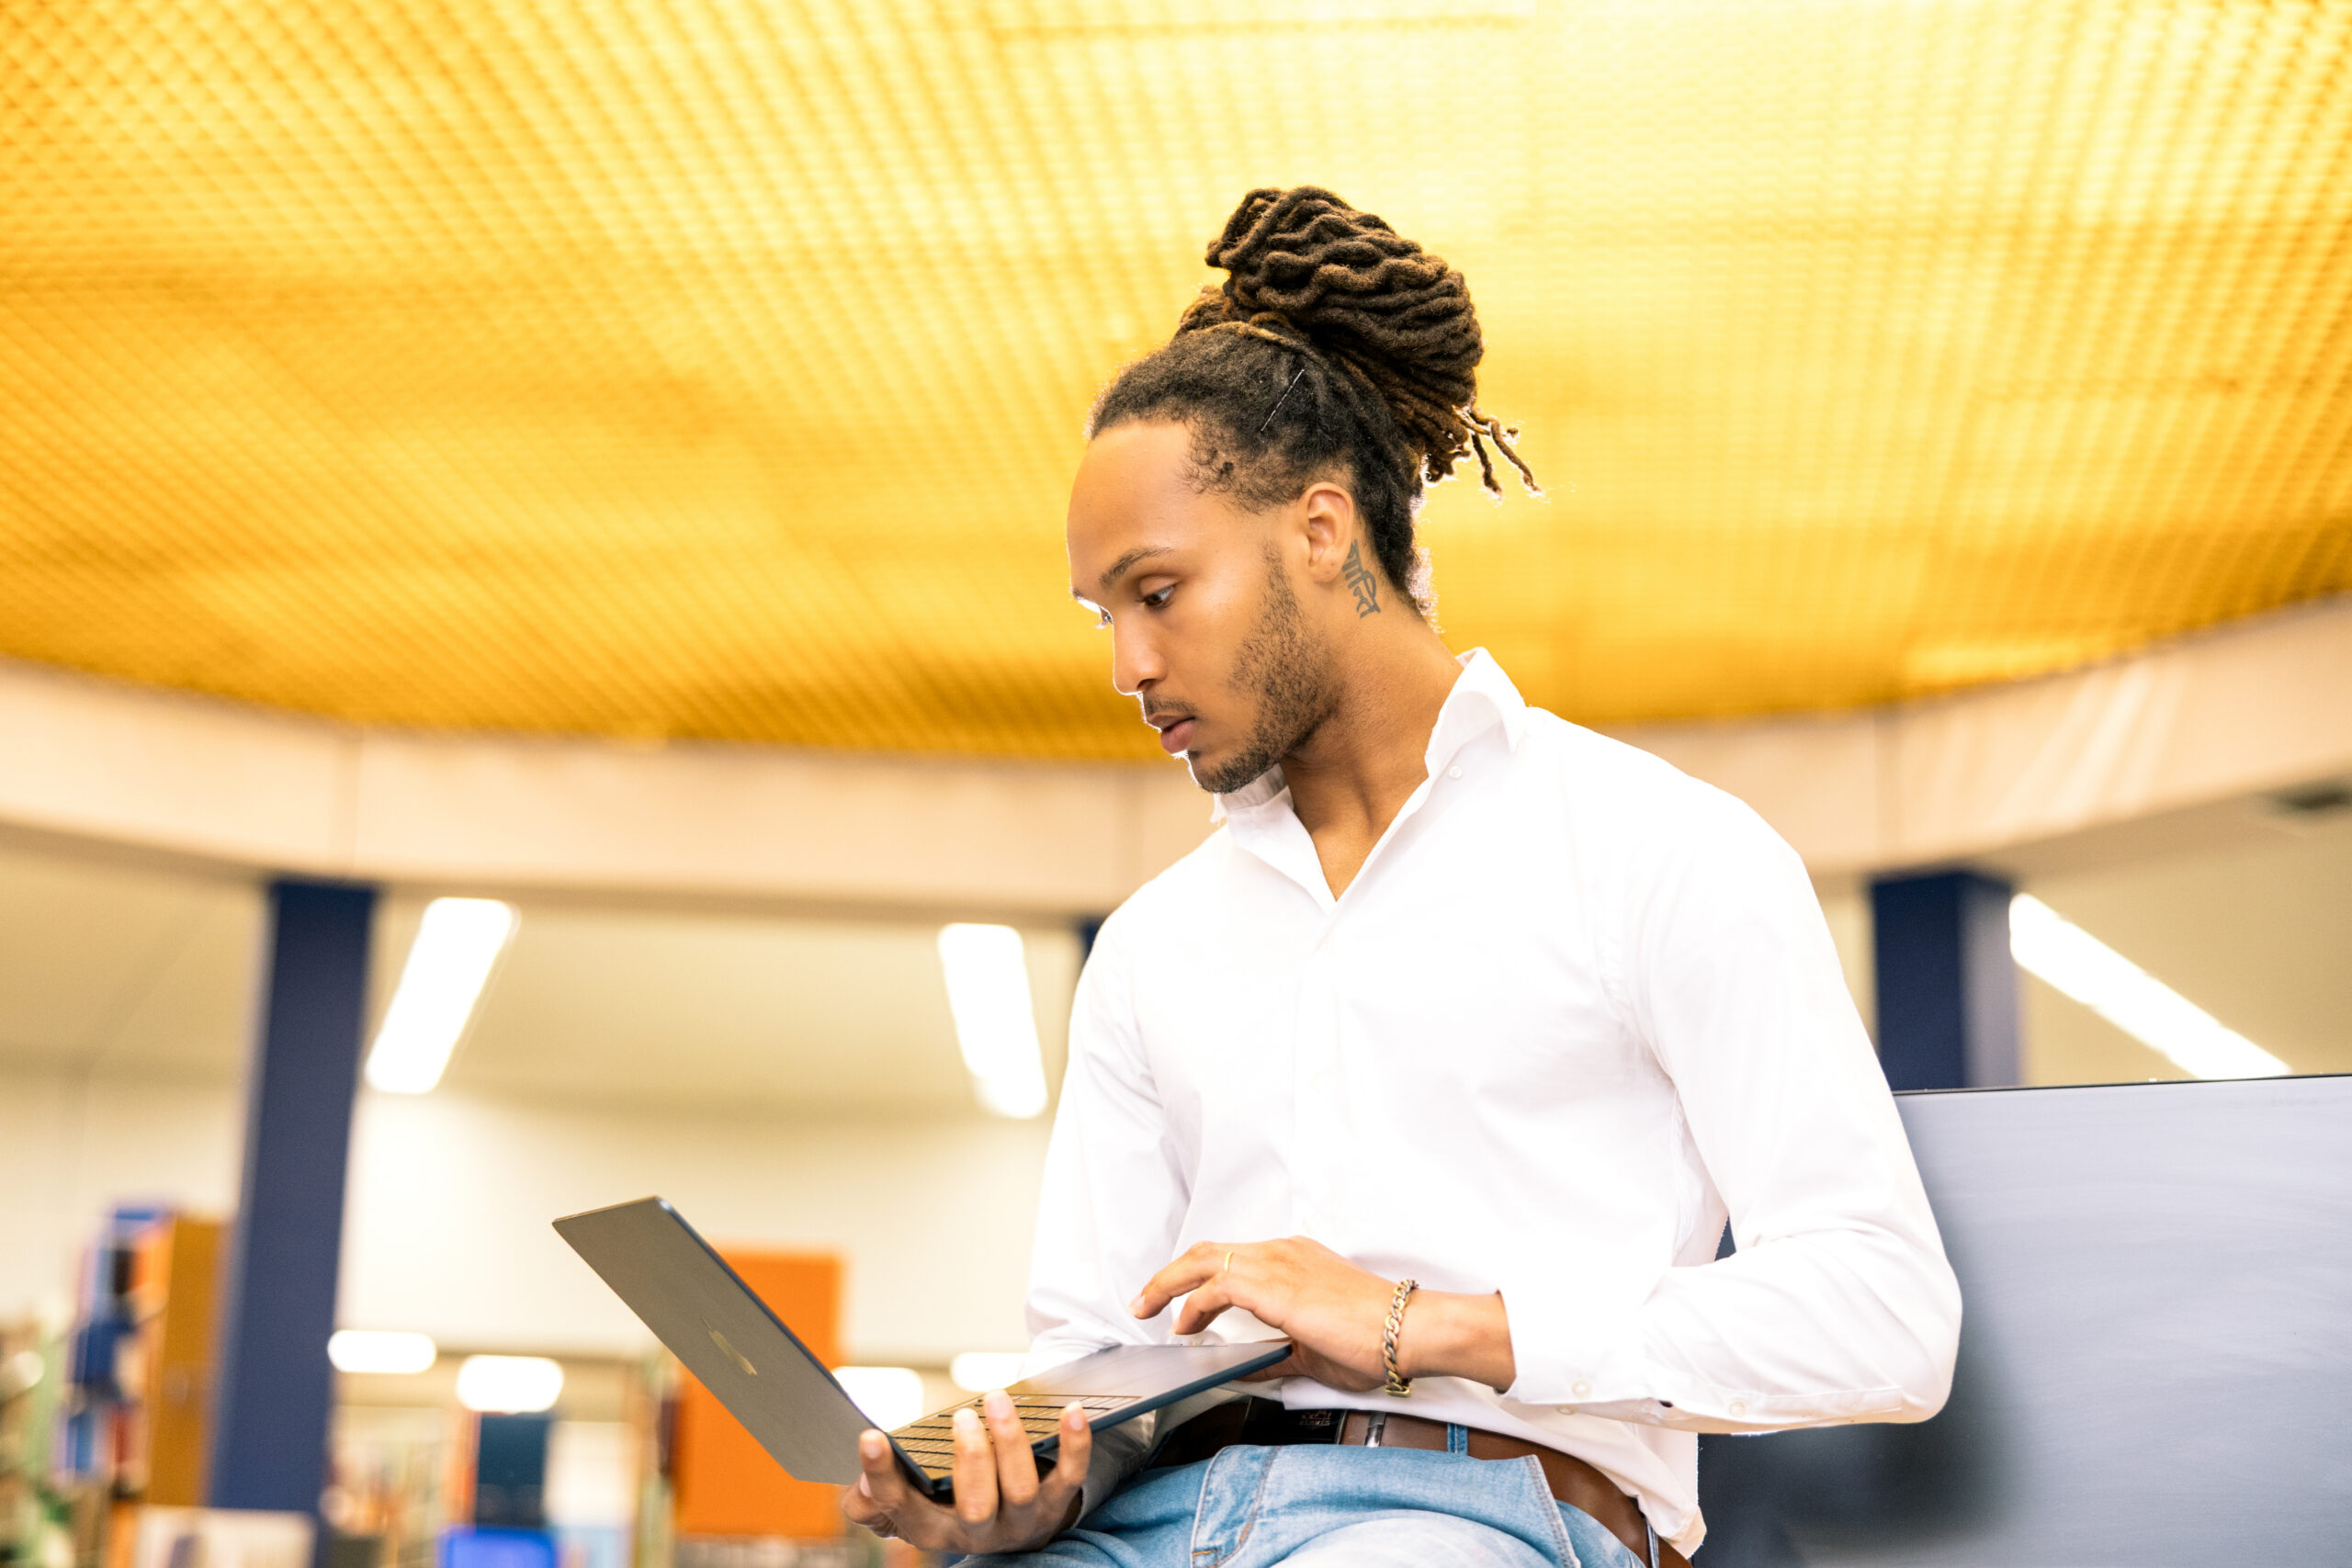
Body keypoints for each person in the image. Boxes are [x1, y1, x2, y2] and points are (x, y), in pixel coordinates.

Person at [842, 186, 1962, 1567]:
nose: (1127, 666)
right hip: (1149, 1526)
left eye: (1157, 592)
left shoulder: (1659, 851)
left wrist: (1424, 1324)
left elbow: (1884, 1315)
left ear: (1322, 533)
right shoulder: (1155, 947)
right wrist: (1022, 1482)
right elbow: (1093, 1354)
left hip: (1468, 1515)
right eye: (1103, 617)